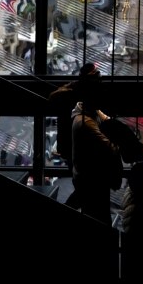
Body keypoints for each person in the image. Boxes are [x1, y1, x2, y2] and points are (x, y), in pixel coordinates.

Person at [48, 63, 100, 208]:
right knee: (86, 187)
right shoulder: (84, 95)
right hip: (81, 147)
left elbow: (54, 97)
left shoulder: (70, 93)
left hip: (73, 146)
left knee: (82, 186)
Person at [71, 79, 121, 225]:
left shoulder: (91, 111)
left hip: (91, 178)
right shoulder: (85, 123)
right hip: (92, 181)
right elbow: (110, 148)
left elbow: (110, 123)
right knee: (98, 218)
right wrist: (119, 140)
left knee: (97, 215)